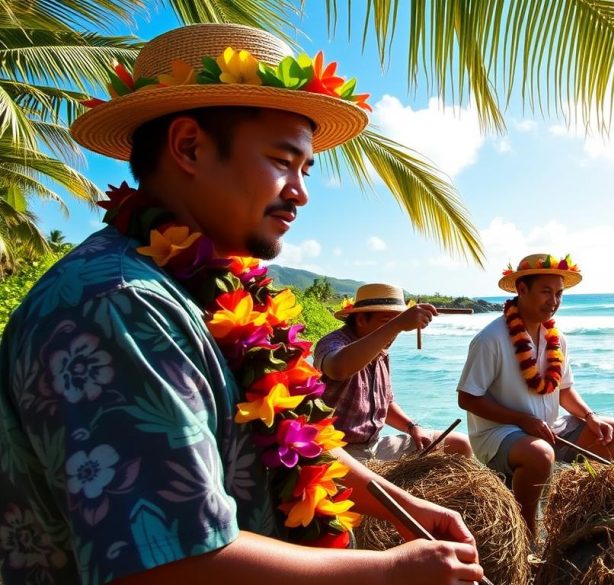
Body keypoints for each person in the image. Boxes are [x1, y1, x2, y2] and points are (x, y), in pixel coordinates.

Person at [0, 24, 483, 585]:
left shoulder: (202, 289)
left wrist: (401, 503)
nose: (301, 192)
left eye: (306, 170)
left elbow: (289, 437)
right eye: (283, 161)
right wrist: (388, 573)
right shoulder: (118, 306)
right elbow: (170, 562)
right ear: (189, 147)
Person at [457, 254, 614, 535]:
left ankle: (575, 514)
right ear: (521, 290)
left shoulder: (556, 338)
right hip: (500, 435)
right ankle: (527, 534)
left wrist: (590, 416)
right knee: (539, 454)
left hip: (549, 429)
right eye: (546, 292)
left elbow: (564, 389)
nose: (554, 301)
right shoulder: (490, 339)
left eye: (559, 293)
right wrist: (521, 420)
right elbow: (467, 398)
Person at [314, 283, 472, 460]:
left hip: (375, 446)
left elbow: (385, 404)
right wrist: (397, 324)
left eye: (398, 324)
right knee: (383, 487)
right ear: (360, 320)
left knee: (459, 444)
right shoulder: (332, 343)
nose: (394, 333)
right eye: (387, 322)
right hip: (338, 450)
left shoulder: (381, 353)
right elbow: (338, 368)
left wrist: (412, 427)